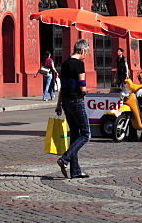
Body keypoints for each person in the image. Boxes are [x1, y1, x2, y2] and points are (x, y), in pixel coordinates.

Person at [55, 38, 91, 180]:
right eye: (86, 52)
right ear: (82, 50)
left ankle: (75, 171)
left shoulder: (64, 64)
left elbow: (62, 86)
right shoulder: (79, 65)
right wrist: (85, 91)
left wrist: (58, 105)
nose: (86, 55)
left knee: (75, 135)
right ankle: (65, 158)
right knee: (86, 134)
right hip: (76, 100)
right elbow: (82, 86)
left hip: (65, 101)